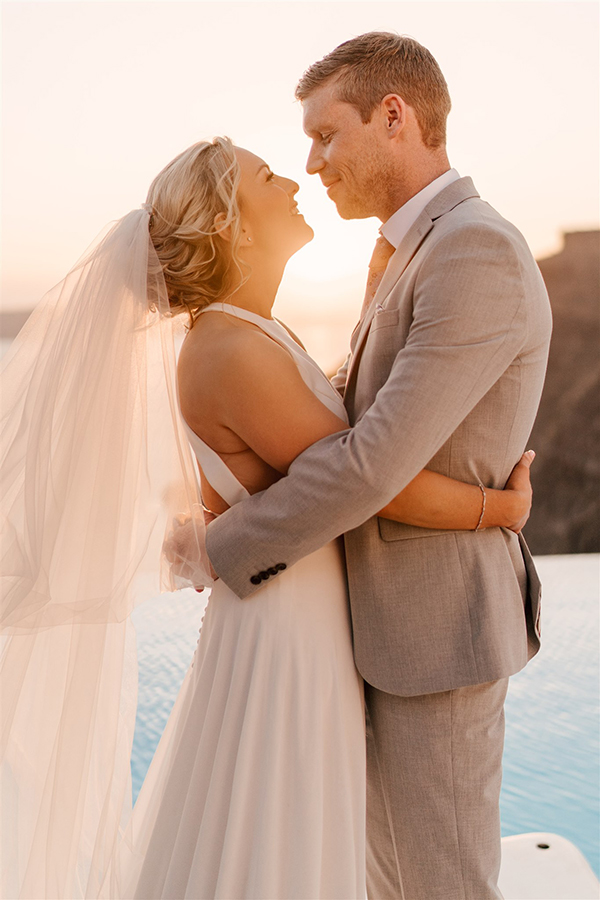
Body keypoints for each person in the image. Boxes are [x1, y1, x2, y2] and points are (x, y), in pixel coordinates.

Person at [1, 136, 533, 900]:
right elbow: (368, 477)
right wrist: (500, 509)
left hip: (298, 612)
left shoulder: (251, 332)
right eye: (266, 176)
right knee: (281, 838)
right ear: (232, 226)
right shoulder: (228, 348)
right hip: (288, 629)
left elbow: (334, 438)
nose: (293, 180)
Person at [200, 33, 553, 900]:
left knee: (442, 886)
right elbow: (352, 412)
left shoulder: (472, 250)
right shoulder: (409, 249)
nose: (312, 163)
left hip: (435, 637)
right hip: (380, 631)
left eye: (326, 135)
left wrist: (218, 545)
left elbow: (369, 464)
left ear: (394, 116)